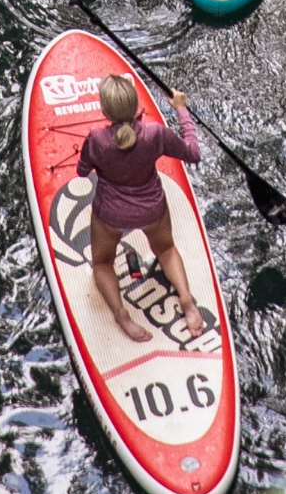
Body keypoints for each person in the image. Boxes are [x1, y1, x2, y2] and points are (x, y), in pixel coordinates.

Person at [74, 73, 212, 344]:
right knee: (166, 249)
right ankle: (187, 302)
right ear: (136, 104)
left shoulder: (97, 139)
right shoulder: (155, 134)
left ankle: (122, 315)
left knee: (102, 263)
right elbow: (192, 153)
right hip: (152, 211)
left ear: (104, 110)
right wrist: (182, 111)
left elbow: (81, 172)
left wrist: (92, 155)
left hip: (110, 216)